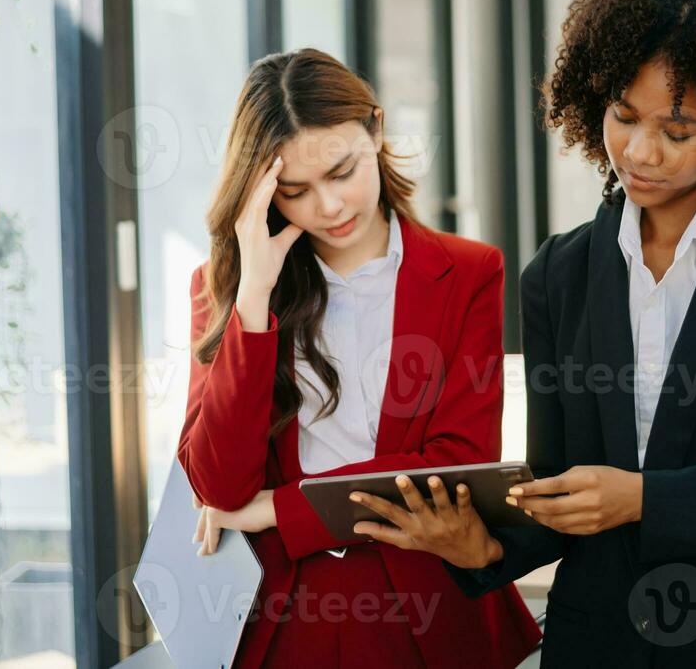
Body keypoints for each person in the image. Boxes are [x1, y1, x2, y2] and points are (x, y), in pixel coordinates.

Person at [349, 0, 696, 666]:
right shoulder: (557, 275)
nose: (641, 151)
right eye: (623, 116)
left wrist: (647, 500)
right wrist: (482, 545)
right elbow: (560, 489)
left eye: (679, 131)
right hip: (596, 644)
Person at [177, 48, 540, 669]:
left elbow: (455, 463)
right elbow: (217, 485)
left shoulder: (470, 272)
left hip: (429, 603)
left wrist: (280, 508)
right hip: (285, 617)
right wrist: (254, 301)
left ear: (375, 130)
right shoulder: (230, 287)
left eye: (342, 172)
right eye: (294, 191)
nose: (329, 207)